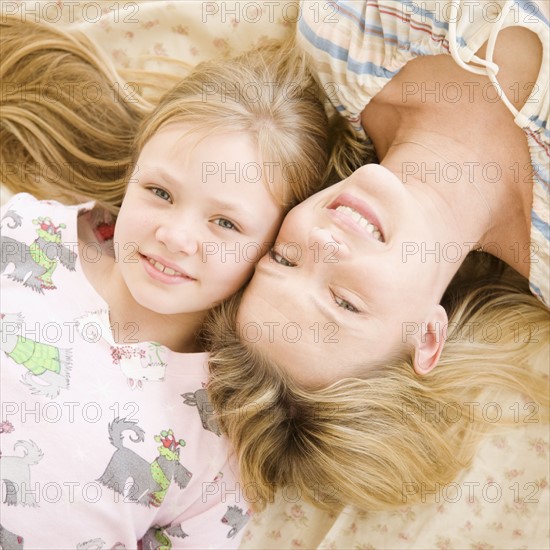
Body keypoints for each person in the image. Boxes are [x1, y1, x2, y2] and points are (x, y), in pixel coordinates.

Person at [205, 0, 550, 512]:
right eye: (345, 302)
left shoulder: (339, 34)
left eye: (284, 259)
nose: (321, 243)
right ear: (429, 335)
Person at [0, 15, 330, 548]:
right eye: (159, 192)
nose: (175, 236)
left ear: (273, 250)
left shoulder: (225, 432)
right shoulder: (24, 235)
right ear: (132, 174)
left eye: (225, 223)